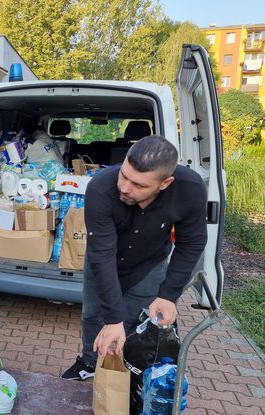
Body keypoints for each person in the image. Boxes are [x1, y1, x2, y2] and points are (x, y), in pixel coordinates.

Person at [61, 135, 208, 380]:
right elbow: (102, 253)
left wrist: (168, 295)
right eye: (124, 176)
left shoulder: (190, 190)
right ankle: (88, 362)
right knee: (94, 316)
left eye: (139, 185)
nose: (125, 188)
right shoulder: (101, 188)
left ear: (165, 183)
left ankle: (126, 370)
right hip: (104, 261)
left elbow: (192, 243)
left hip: (148, 266)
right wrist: (112, 318)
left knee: (135, 323)